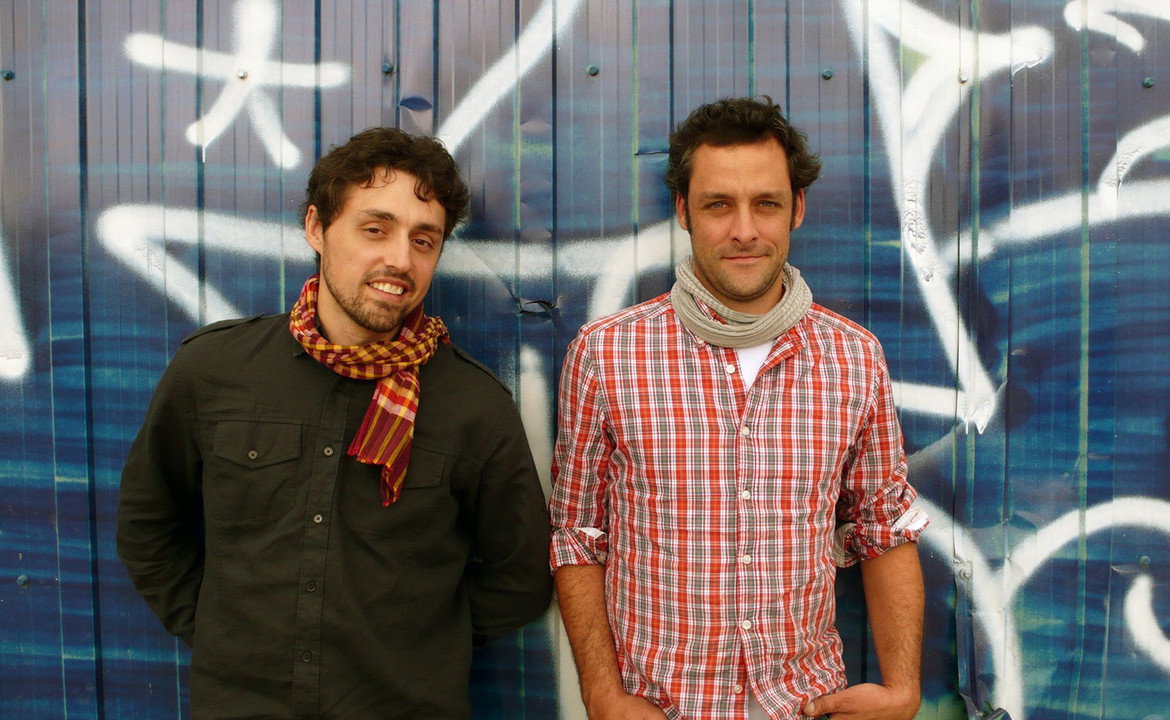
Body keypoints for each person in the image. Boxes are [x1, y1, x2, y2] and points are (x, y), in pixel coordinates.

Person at [117, 127, 552, 719]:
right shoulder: (214, 370)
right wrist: (221, 631)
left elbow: (521, 577)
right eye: (375, 229)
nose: (400, 259)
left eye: (423, 240)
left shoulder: (474, 406)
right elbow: (148, 525)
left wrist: (423, 648)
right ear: (317, 228)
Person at [550, 97, 929, 720]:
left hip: (805, 703)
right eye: (718, 204)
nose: (744, 230)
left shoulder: (853, 357)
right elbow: (576, 536)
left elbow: (883, 528)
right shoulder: (606, 355)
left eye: (766, 204)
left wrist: (903, 689)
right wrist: (602, 694)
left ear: (797, 209)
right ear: (683, 211)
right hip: (662, 706)